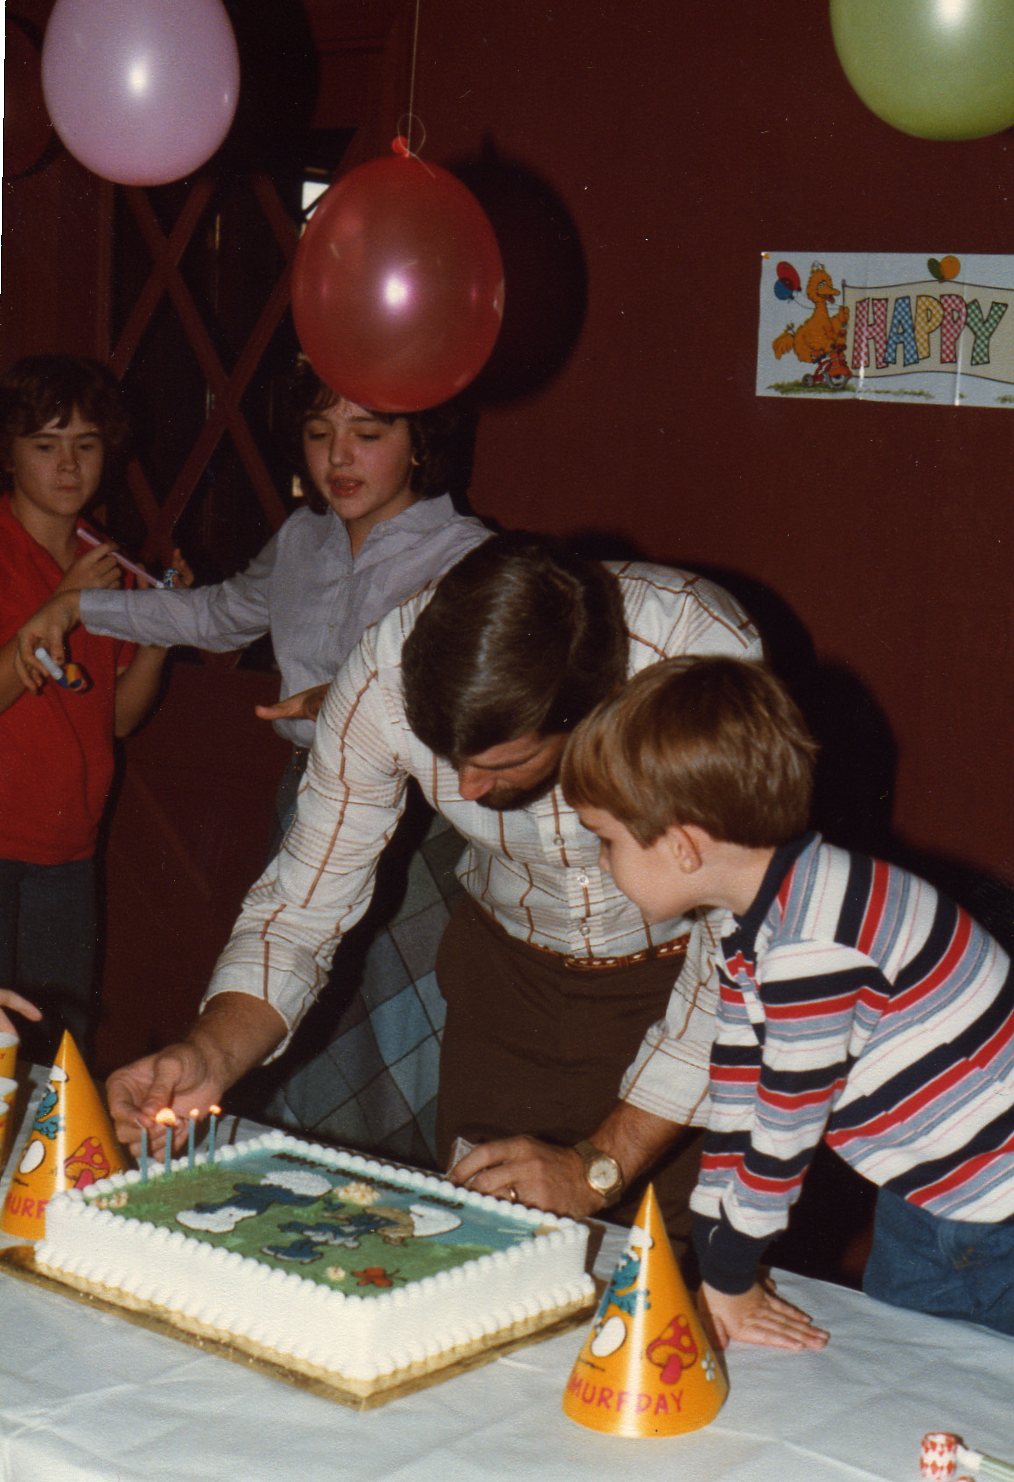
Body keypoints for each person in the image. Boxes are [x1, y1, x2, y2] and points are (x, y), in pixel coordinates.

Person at [100, 532, 762, 1239]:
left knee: (676, 1267)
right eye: (446, 758)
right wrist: (209, 1053)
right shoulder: (381, 677)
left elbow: (734, 955)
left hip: (686, 983)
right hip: (511, 988)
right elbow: (300, 910)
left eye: (500, 764)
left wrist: (599, 1166)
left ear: (592, 707)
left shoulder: (696, 660)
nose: (467, 790)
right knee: (485, 1243)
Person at [19, 358, 489, 1155]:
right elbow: (217, 616)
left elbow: (485, 701)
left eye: (368, 434)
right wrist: (75, 609)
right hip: (308, 805)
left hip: (418, 823)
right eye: (319, 433)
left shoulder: (466, 555)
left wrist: (359, 700)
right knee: (291, 1016)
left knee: (398, 1054)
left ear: (419, 444)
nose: (339, 456)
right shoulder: (303, 538)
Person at [561, 654, 1014, 1343]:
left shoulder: (815, 947)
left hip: (987, 1202)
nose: (601, 860)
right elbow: (736, 1085)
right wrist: (716, 1251)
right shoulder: (757, 915)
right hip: (936, 1184)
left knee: (933, 1370)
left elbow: (783, 1130)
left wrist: (730, 1278)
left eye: (607, 840)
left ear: (681, 846)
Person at [0, 355, 180, 1063]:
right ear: (10, 454)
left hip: (69, 846)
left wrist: (160, 634)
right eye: (46, 445)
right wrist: (62, 603)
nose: (69, 465)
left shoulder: (107, 561)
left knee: (56, 1053)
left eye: (86, 444)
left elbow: (121, 719)